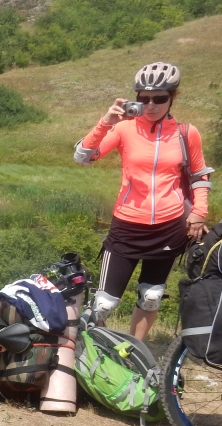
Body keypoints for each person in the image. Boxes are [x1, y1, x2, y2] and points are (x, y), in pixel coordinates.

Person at [74, 61, 213, 340]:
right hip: (127, 224)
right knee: (104, 303)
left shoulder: (186, 133)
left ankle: (134, 352)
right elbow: (83, 157)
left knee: (151, 296)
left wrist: (199, 212)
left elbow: (199, 175)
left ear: (173, 96)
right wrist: (106, 122)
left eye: (159, 98)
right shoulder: (125, 128)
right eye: (144, 98)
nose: (150, 105)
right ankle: (91, 351)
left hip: (169, 226)